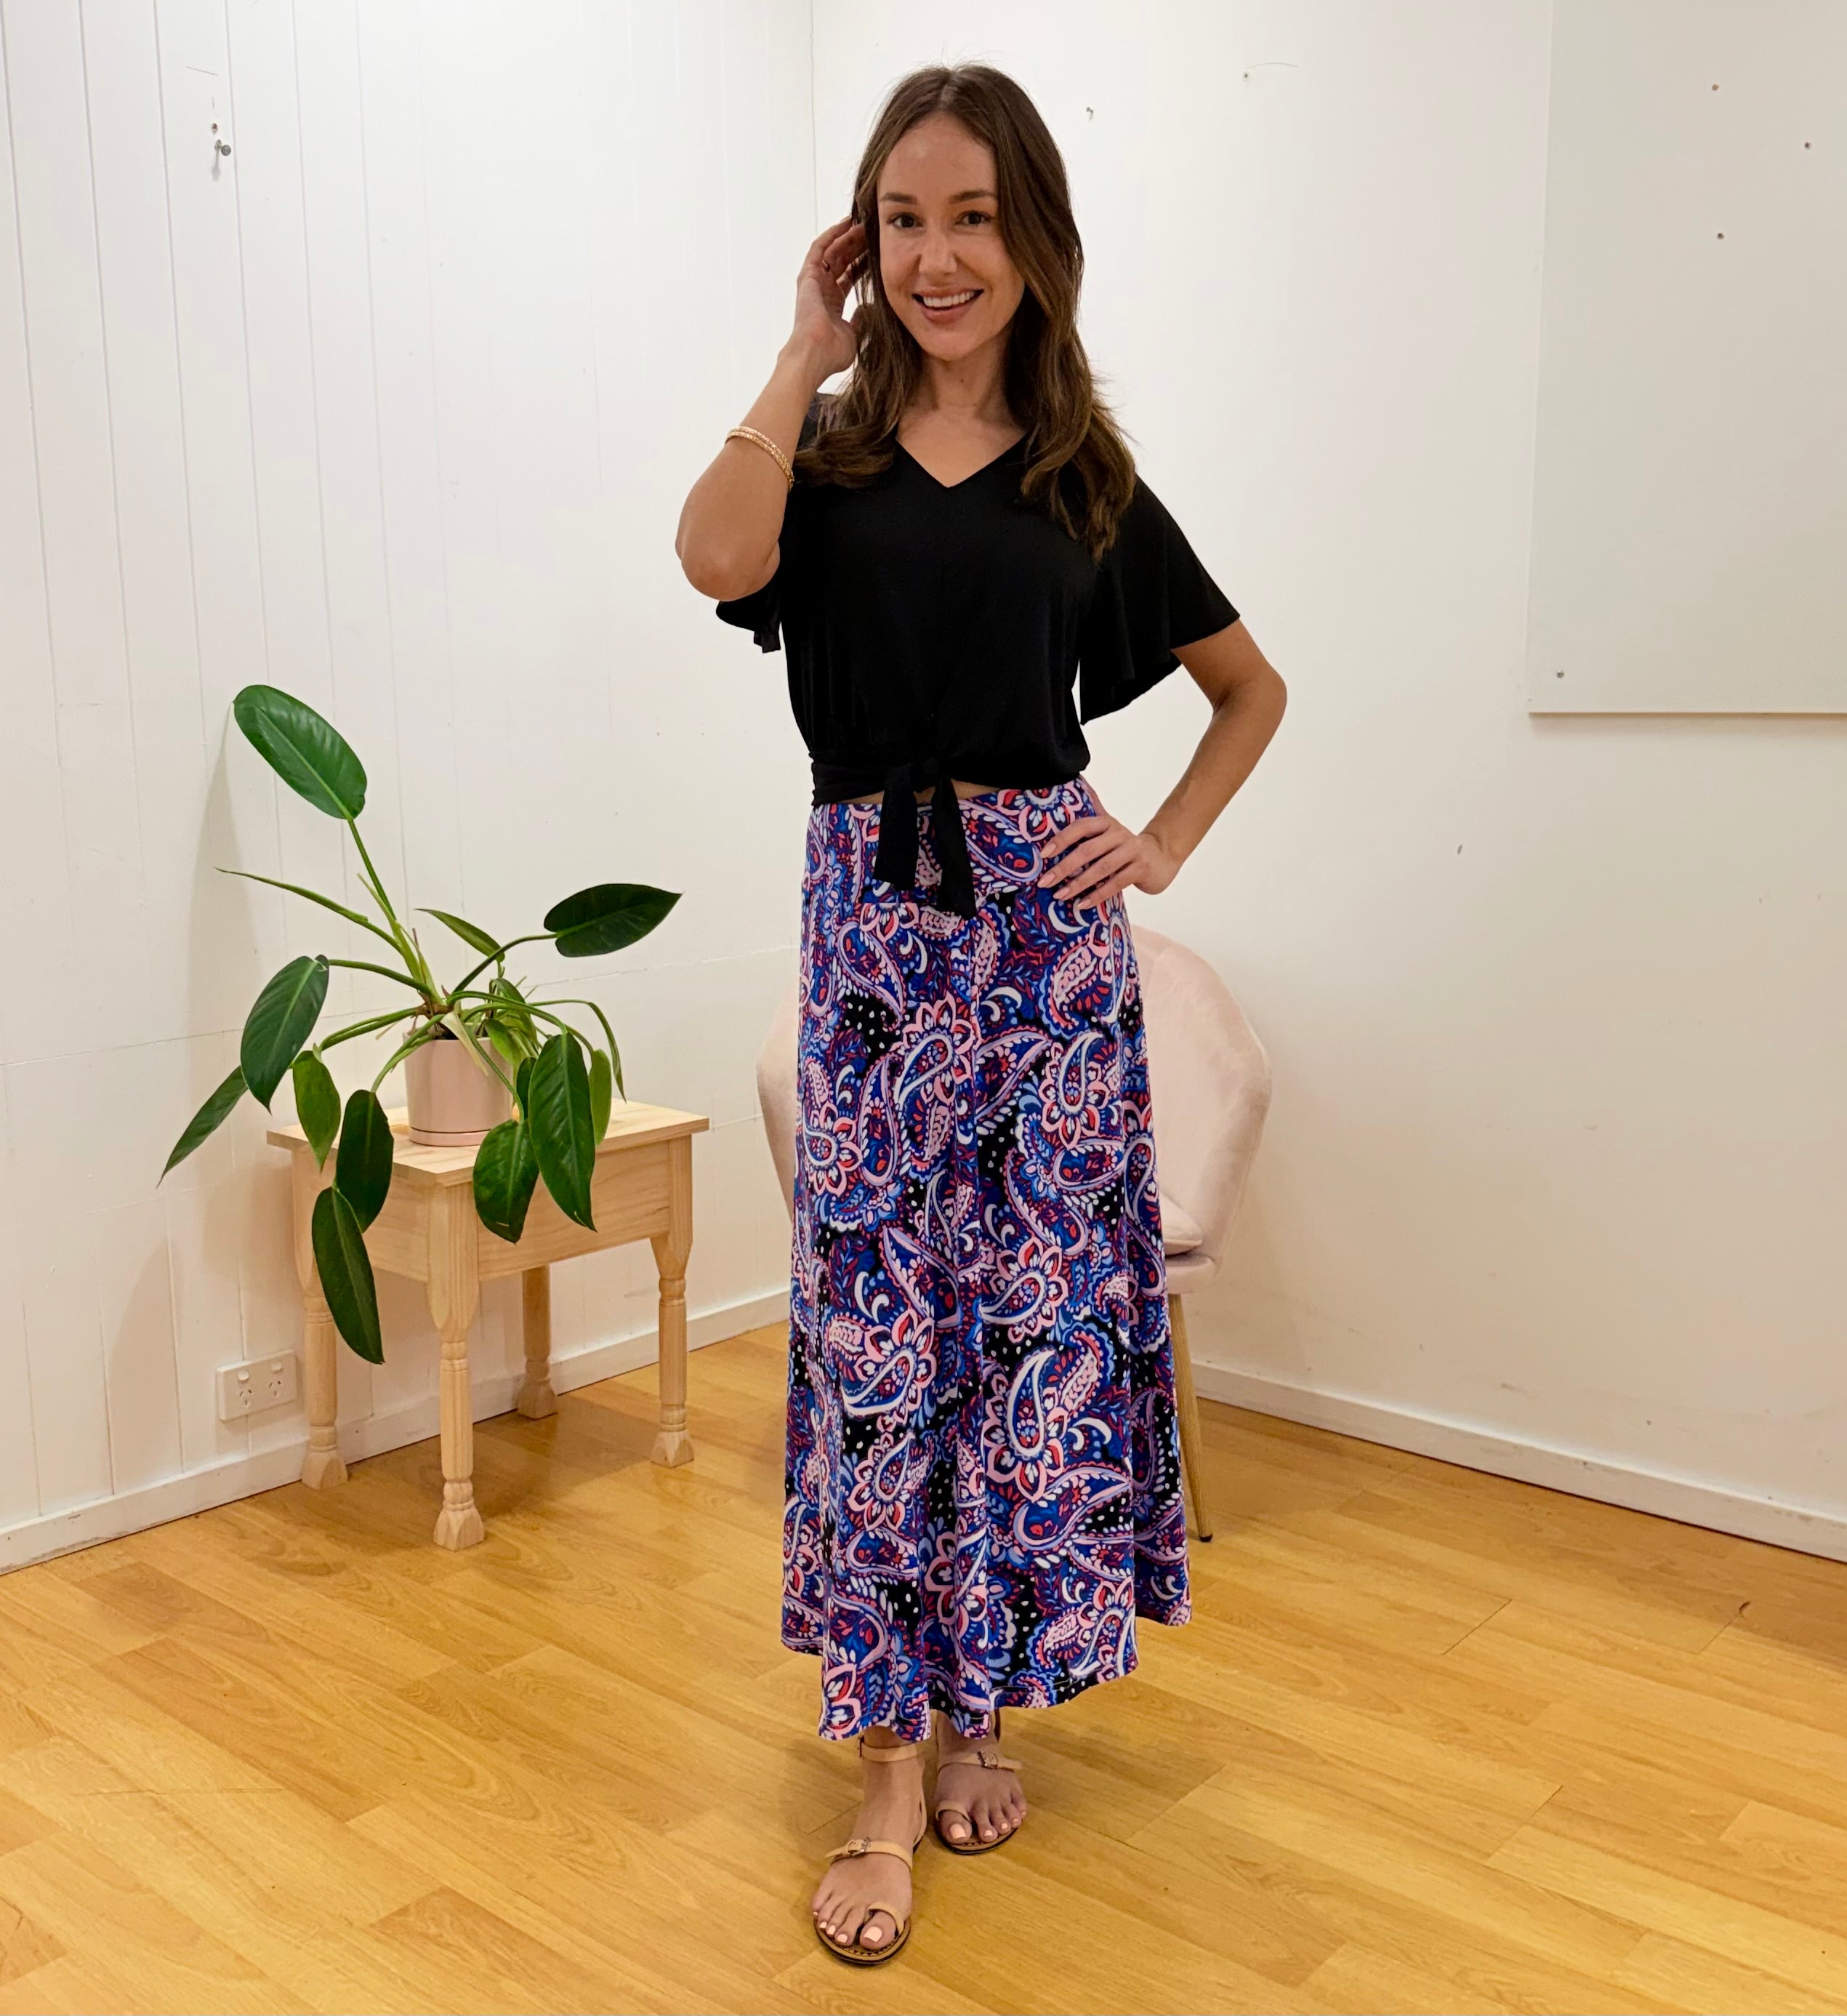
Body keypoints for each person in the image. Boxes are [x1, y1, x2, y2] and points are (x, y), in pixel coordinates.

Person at [675, 62, 1285, 1965]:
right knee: (876, 1353)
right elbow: (713, 557)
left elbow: (1249, 691)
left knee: (1021, 1360)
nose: (942, 256)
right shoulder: (831, 465)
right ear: (870, 244)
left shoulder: (1087, 482)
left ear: (1035, 241)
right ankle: (874, 1770)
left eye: (974, 218)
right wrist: (799, 348)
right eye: (906, 220)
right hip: (870, 941)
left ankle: (978, 1706)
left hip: (1042, 958)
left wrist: (1160, 845)